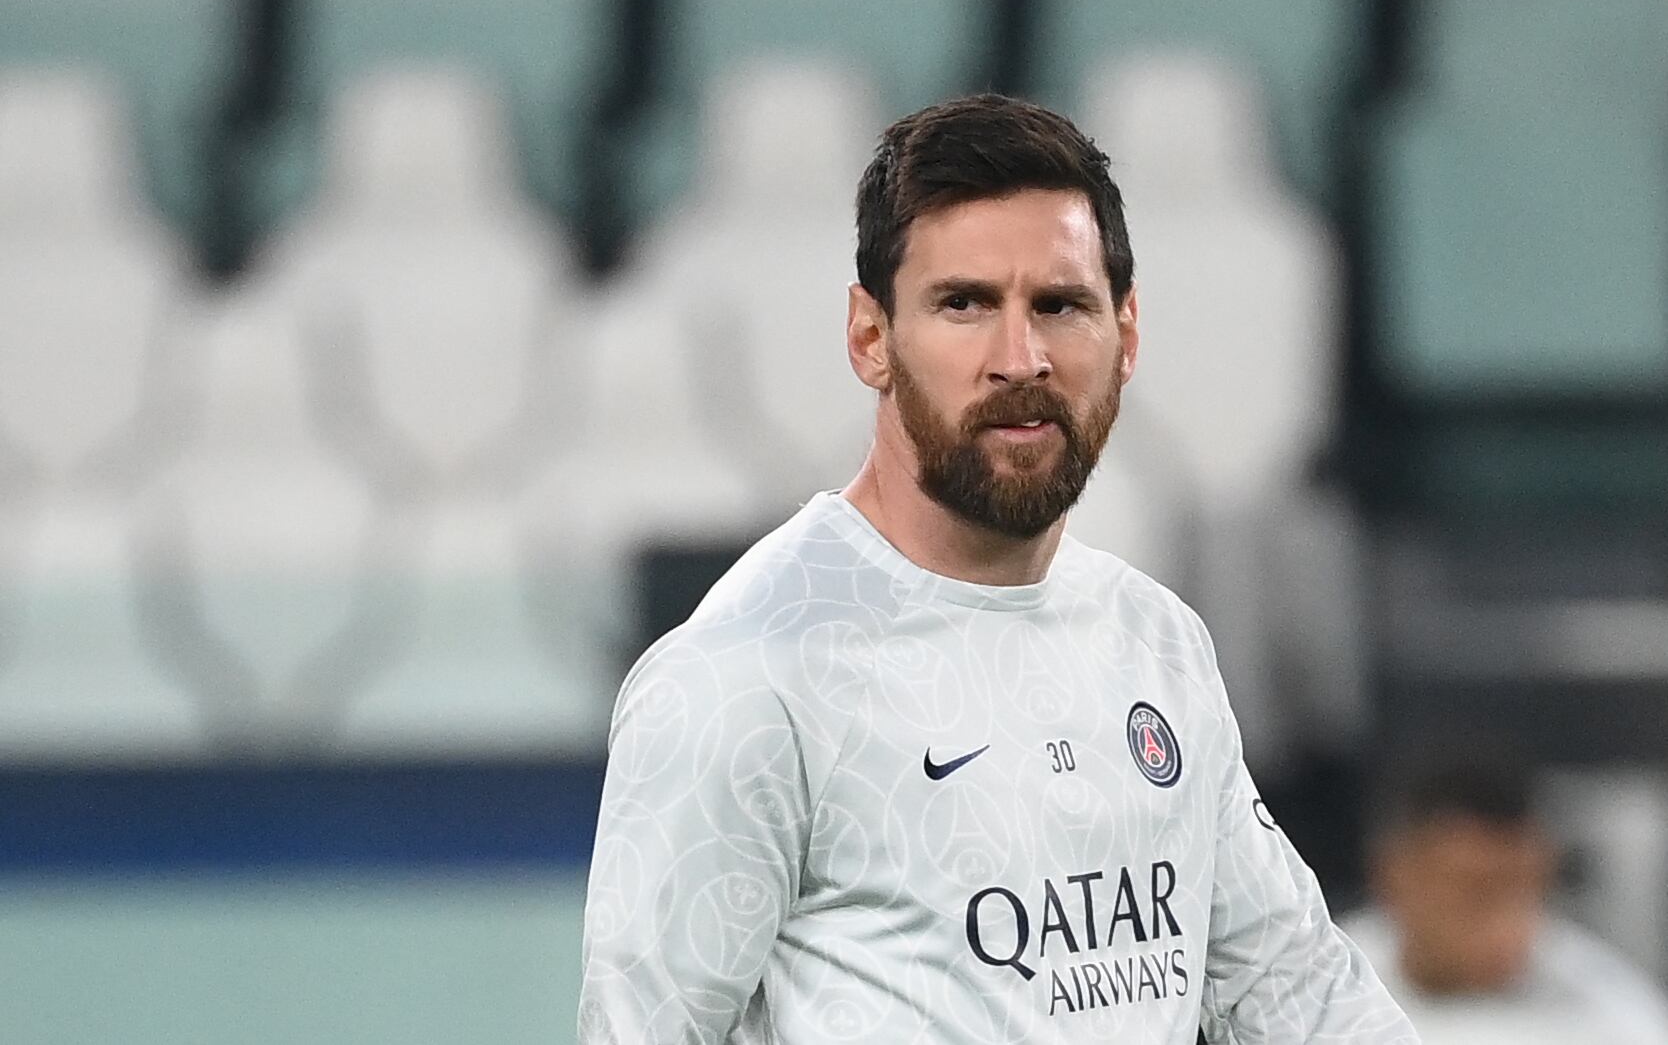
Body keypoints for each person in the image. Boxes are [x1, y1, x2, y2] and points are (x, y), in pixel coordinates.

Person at [578, 94, 1415, 1043]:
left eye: (1060, 305)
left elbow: (1294, 987)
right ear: (870, 338)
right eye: (964, 304)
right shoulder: (745, 677)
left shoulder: (1156, 641)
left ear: (1127, 334)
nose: (1020, 358)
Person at [1344, 747, 1668, 1044]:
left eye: (1527, 892)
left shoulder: (1613, 1010)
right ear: (1395, 876)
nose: (1509, 924)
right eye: (1478, 893)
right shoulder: (1325, 990)